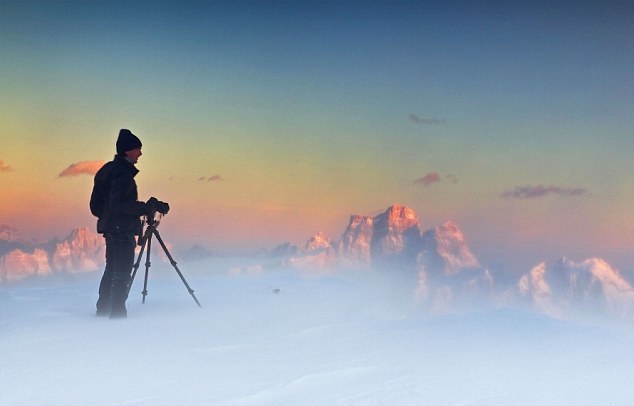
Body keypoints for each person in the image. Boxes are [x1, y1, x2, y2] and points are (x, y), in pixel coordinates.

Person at [90, 129, 168, 319]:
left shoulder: (107, 170)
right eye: (137, 149)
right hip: (121, 229)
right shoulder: (123, 175)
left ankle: (103, 311)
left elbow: (96, 206)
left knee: (112, 269)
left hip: (110, 229)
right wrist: (145, 208)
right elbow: (120, 204)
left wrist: (110, 218)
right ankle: (117, 314)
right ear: (127, 151)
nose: (140, 153)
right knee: (122, 272)